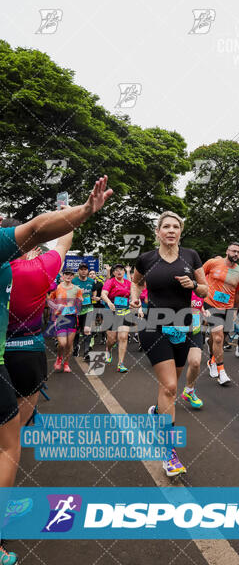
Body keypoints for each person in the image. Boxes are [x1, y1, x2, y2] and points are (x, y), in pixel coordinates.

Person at [0, 175, 112, 564]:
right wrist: (81, 211)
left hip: (5, 353)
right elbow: (59, 240)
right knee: (10, 441)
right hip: (28, 353)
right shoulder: (42, 267)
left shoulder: (8, 268)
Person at [130, 211, 208, 476]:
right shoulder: (147, 259)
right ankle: (168, 452)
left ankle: (156, 413)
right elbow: (135, 282)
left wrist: (194, 285)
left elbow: (205, 290)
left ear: (180, 231)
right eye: (166, 226)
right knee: (171, 386)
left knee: (169, 391)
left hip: (183, 326)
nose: (171, 230)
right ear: (158, 231)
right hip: (154, 325)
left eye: (176, 226)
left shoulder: (191, 256)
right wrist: (135, 299)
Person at [4, 230, 73, 423]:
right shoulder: (38, 268)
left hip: (8, 347)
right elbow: (63, 244)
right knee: (15, 430)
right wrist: (67, 214)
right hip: (27, 351)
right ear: (26, 245)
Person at [203, 242, 239, 385]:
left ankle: (211, 359)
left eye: (238, 252)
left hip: (228, 307)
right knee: (219, 338)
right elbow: (199, 277)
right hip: (210, 304)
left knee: (219, 338)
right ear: (227, 250)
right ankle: (221, 371)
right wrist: (198, 299)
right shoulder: (213, 263)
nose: (236, 254)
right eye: (233, 251)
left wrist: (235, 310)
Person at [48, 269, 83, 372]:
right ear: (62, 276)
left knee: (69, 344)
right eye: (66, 274)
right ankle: (59, 358)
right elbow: (50, 301)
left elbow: (80, 305)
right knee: (62, 343)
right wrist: (56, 307)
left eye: (71, 275)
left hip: (72, 318)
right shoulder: (57, 288)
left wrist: (77, 304)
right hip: (60, 318)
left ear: (73, 277)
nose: (68, 276)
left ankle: (66, 363)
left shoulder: (77, 289)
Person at [180, 291, 210, 409]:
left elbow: (198, 304)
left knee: (195, 362)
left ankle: (189, 390)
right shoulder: (178, 285)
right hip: (177, 329)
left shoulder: (200, 289)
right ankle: (165, 397)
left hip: (195, 330)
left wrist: (203, 311)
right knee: (174, 366)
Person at [101, 264, 131, 372]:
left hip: (125, 312)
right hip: (111, 312)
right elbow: (103, 294)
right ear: (113, 273)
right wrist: (109, 302)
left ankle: (121, 364)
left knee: (123, 337)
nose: (119, 272)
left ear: (124, 272)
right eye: (116, 270)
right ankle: (108, 349)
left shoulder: (128, 283)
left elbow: (134, 296)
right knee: (112, 339)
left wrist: (139, 307)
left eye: (121, 270)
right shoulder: (110, 282)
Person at [72, 262, 96, 360]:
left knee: (87, 330)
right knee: (77, 330)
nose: (83, 271)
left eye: (85, 269)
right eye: (81, 269)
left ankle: (86, 352)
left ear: (87, 271)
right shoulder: (74, 281)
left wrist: (94, 296)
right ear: (78, 271)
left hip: (88, 309)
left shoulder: (91, 281)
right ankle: (76, 347)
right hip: (77, 310)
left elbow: (94, 290)